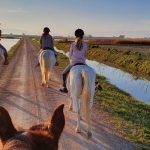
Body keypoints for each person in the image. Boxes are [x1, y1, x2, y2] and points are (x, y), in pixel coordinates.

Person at [60, 29, 87, 93]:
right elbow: (85, 55)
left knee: (63, 74)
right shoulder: (85, 44)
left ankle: (65, 88)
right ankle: (94, 85)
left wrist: (71, 62)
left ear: (75, 35)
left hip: (74, 63)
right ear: (83, 35)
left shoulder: (73, 44)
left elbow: (70, 55)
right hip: (83, 63)